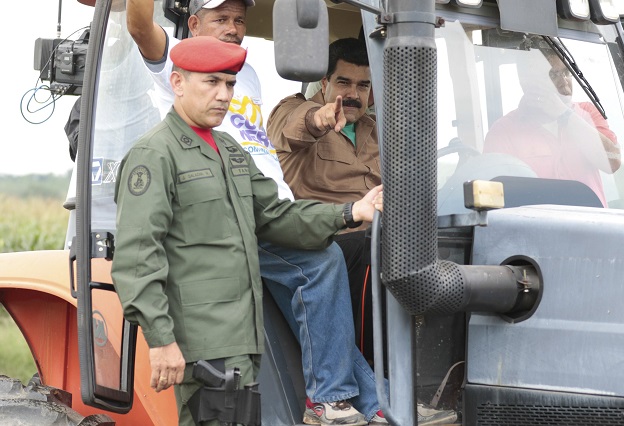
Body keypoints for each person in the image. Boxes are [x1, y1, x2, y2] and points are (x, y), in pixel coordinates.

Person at [125, 1, 434, 425]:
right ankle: (337, 399)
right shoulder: (165, 117)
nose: (223, 93)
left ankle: (374, 403)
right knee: (321, 263)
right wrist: (161, 340)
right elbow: (141, 27)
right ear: (178, 79)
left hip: (267, 213)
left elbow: (273, 209)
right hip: (220, 238)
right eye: (220, 19)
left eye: (228, 84)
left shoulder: (233, 129)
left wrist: (351, 212)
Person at [267, 37, 382, 365]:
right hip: (322, 243)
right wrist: (321, 119)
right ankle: (374, 379)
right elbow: (297, 126)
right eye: (344, 82)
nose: (354, 94)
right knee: (374, 248)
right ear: (324, 81)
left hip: (373, 239)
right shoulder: (291, 109)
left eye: (363, 85)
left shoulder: (377, 130)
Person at [483, 38, 621, 207]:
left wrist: (564, 115)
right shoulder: (503, 132)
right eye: (554, 75)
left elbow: (612, 163)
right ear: (528, 82)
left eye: (567, 72)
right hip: (539, 231)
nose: (564, 82)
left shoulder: (588, 114)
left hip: (596, 229)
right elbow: (496, 202)